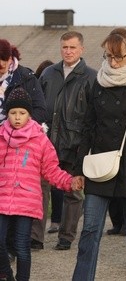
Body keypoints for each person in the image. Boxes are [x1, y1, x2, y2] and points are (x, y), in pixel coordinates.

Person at [72, 28, 126, 281]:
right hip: (100, 167)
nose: (113, 62)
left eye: (118, 57)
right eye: (108, 56)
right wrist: (78, 169)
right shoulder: (98, 81)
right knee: (89, 231)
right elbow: (87, 127)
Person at [0, 87, 83, 281]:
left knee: (22, 246)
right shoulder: (1, 138)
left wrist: (69, 182)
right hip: (2, 199)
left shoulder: (40, 140)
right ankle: (7, 276)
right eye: (13, 113)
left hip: (27, 201)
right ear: (7, 114)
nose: (17, 117)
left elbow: (52, 170)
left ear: (29, 115)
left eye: (22, 113)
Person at [38, 31, 97, 251]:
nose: (68, 51)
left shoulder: (90, 76)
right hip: (46, 141)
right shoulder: (48, 73)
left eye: (72, 47)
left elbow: (93, 115)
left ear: (81, 49)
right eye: (65, 47)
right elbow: (39, 106)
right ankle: (36, 236)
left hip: (75, 142)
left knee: (73, 190)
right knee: (40, 189)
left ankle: (66, 236)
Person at [0, 39, 47, 253]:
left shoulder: (26, 77)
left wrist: (19, 131)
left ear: (11, 58)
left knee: (13, 198)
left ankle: (11, 248)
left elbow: (39, 109)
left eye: (2, 62)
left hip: (18, 145)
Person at [35, 60, 64, 235]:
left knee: (46, 184)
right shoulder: (49, 78)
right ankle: (56, 221)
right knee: (54, 183)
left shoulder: (41, 82)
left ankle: (42, 227)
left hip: (48, 136)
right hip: (56, 137)